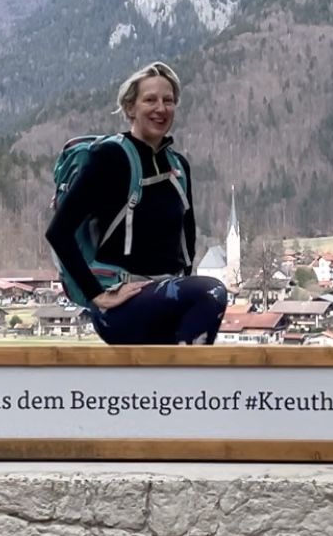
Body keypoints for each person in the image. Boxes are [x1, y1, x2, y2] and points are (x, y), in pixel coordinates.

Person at [45, 62, 228, 345]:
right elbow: (59, 232)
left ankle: (179, 373)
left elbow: (187, 241)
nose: (161, 108)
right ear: (130, 108)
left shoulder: (178, 167)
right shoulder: (111, 157)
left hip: (162, 298)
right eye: (150, 100)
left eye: (168, 101)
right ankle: (188, 375)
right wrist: (97, 295)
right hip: (120, 304)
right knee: (211, 292)